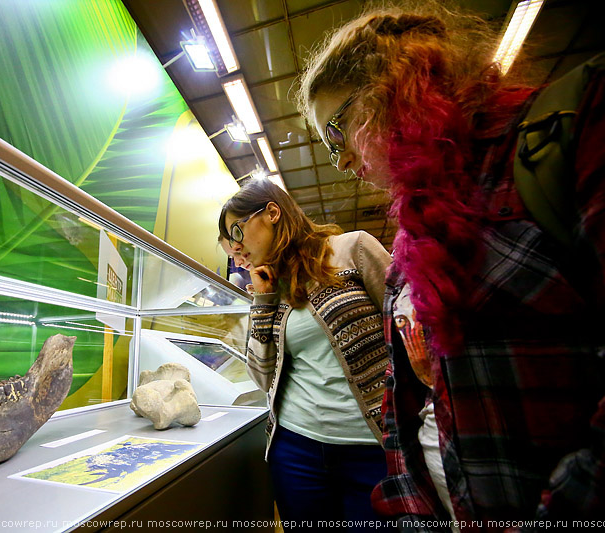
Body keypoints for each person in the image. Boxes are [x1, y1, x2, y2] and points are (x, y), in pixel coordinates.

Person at [295, 0, 605, 527]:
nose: (343, 160)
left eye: (336, 133)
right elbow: (405, 408)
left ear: (393, 84)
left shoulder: (566, 137)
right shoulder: (411, 242)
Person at [218, 177, 393, 531]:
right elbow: (261, 376)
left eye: (236, 234)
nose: (237, 253)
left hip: (372, 448)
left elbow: (409, 328)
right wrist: (263, 301)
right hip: (297, 451)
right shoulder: (270, 286)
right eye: (230, 251)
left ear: (271, 212)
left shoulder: (352, 249)